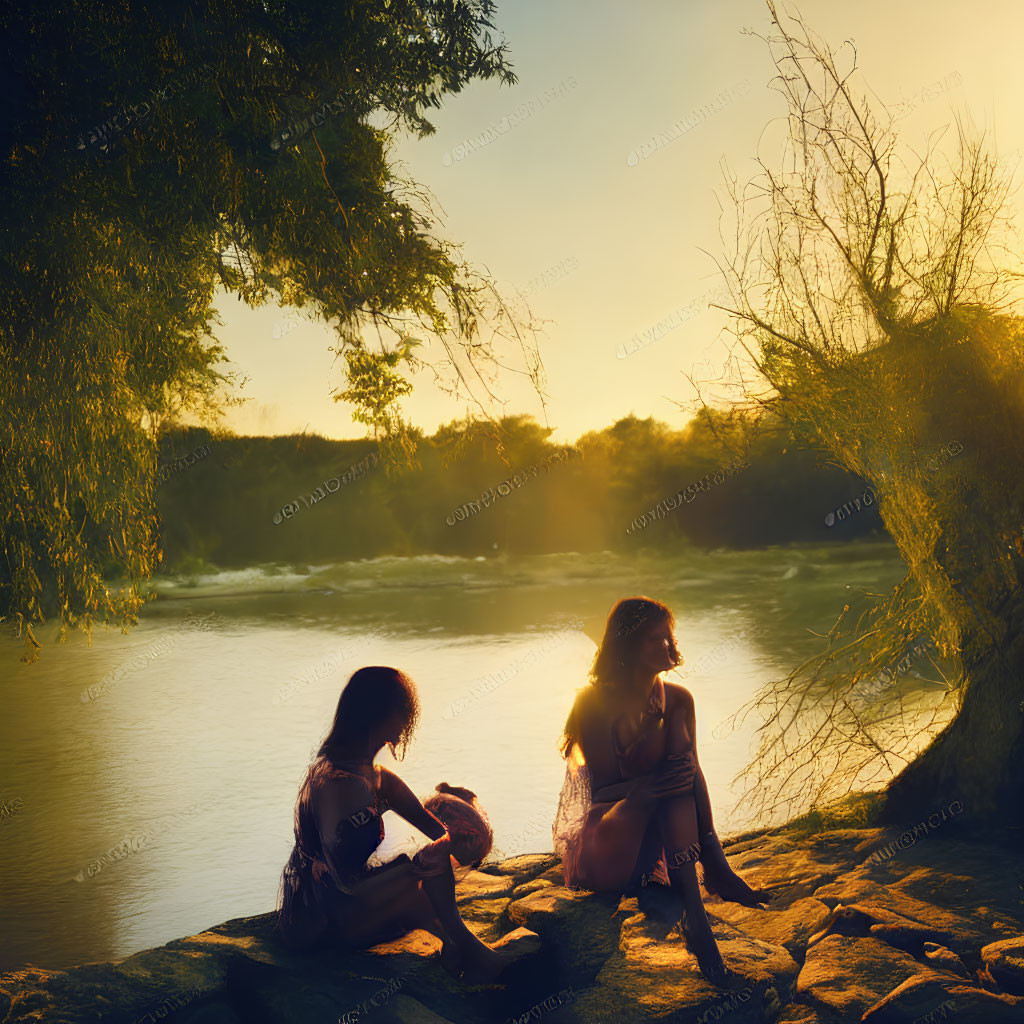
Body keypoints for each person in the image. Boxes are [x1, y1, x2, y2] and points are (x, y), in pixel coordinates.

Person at [553, 598, 772, 984]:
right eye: (655, 640)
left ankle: (706, 894)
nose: (668, 647)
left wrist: (707, 840)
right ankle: (700, 915)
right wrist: (651, 786)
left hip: (657, 846)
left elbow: (692, 774)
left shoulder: (679, 700)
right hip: (609, 845)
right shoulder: (593, 702)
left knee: (679, 783)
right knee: (668, 787)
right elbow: (603, 790)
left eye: (669, 638)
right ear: (628, 646)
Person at [277, 665, 529, 982]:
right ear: (376, 714)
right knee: (419, 878)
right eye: (403, 710)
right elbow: (341, 882)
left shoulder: (379, 780)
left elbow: (441, 835)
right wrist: (413, 868)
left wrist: (463, 827)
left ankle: (462, 949)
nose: (409, 720)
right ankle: (474, 955)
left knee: (427, 871)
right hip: (324, 916)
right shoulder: (333, 782)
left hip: (356, 901)